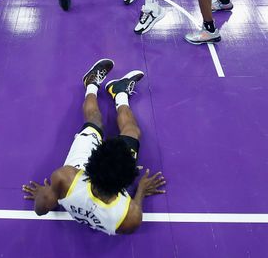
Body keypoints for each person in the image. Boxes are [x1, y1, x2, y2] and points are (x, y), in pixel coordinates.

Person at [22, 58, 166, 235]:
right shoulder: (131, 217)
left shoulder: (65, 177)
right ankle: (120, 94)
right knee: (133, 131)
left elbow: (40, 209)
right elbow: (134, 204)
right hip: (102, 178)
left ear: (92, 161)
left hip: (77, 172)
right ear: (127, 183)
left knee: (94, 119)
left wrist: (45, 194)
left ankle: (91, 84)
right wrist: (141, 189)